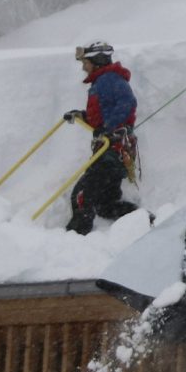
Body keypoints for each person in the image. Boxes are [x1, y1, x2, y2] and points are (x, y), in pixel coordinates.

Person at [63, 41, 140, 233]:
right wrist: (82, 116)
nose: (83, 67)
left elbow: (127, 102)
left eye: (85, 62)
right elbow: (102, 115)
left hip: (111, 152)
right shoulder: (103, 81)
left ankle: (76, 235)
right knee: (107, 204)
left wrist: (109, 128)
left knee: (82, 195)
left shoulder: (109, 79)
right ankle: (146, 221)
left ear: (97, 61)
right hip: (109, 149)